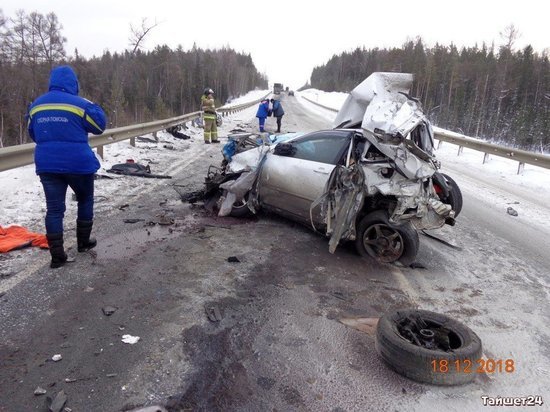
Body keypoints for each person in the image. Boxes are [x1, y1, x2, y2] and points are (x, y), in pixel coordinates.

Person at [26, 65, 106, 268]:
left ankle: (57, 256)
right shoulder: (81, 104)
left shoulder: (36, 105)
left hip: (47, 164)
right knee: (85, 199)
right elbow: (99, 127)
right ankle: (83, 243)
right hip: (78, 164)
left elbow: (33, 133)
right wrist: (92, 104)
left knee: (54, 210)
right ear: (74, 83)